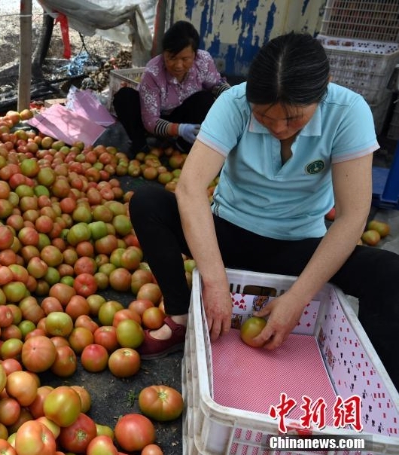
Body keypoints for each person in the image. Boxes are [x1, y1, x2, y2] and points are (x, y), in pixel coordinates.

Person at [129, 31, 399, 388]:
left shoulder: (349, 113)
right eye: (265, 117)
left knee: (389, 273)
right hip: (230, 235)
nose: (278, 129)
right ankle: (180, 316)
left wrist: (298, 297)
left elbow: (351, 218)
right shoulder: (233, 104)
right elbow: (191, 189)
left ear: (324, 90)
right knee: (148, 202)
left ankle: (375, 388)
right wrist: (214, 279)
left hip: (299, 247)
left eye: (293, 119)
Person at [113, 20, 229, 157]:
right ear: (164, 54)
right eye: (172, 58)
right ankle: (141, 146)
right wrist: (179, 129)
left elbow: (216, 85)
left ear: (195, 55)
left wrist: (235, 95)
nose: (178, 65)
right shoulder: (153, 72)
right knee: (124, 97)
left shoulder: (203, 61)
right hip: (152, 119)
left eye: (185, 59)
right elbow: (151, 121)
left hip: (182, 115)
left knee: (206, 99)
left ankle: (181, 146)